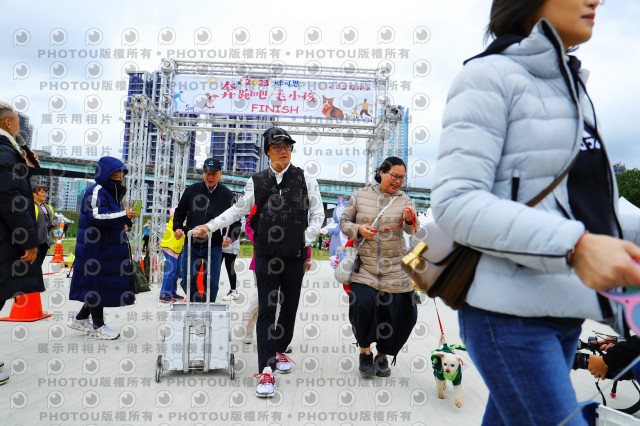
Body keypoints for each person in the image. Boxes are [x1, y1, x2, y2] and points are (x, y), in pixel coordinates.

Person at [430, 1, 640, 423]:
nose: (597, 0)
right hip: (509, 317)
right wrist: (575, 246)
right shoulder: (488, 77)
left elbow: (586, 204)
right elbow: (456, 201)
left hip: (564, 312)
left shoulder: (573, 88)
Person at [193, 127, 324, 398]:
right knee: (267, 309)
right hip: (266, 255)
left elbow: (317, 214)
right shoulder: (256, 181)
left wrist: (305, 238)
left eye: (287, 146)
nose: (284, 150)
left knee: (289, 309)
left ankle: (280, 350)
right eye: (277, 146)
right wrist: (209, 225)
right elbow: (238, 210)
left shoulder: (306, 179)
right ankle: (266, 369)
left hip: (295, 256)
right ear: (267, 151)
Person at [340, 156, 419, 378]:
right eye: (394, 176)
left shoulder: (406, 200)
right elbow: (344, 223)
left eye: (402, 178)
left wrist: (410, 219)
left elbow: (412, 230)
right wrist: (358, 230)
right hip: (365, 267)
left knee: (400, 314)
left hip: (395, 269)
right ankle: (365, 353)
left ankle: (382, 355)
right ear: (382, 172)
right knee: (362, 307)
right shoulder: (360, 195)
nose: (398, 181)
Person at [68, 156, 137, 340]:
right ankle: (98, 326)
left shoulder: (112, 192)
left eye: (121, 172)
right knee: (96, 286)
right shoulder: (96, 190)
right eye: (115, 172)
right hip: (94, 248)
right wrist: (124, 214)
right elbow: (97, 217)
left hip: (104, 249)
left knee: (97, 285)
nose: (119, 175)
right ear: (105, 173)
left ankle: (80, 319)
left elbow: (111, 216)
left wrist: (125, 220)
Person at [0, 101, 43, 385]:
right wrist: (28, 240)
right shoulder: (4, 151)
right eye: (16, 122)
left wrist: (25, 165)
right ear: (7, 123)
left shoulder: (10, 153)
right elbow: (11, 199)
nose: (19, 127)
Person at [173, 158, 240, 303]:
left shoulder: (228, 195)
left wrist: (231, 236)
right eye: (207, 173)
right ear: (202, 173)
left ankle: (208, 308)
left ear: (220, 173)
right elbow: (179, 213)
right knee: (187, 280)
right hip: (191, 244)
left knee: (212, 282)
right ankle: (197, 304)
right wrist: (177, 228)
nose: (210, 177)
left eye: (214, 173)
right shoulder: (191, 190)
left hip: (213, 246)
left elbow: (236, 220)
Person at [159, 206, 185, 303]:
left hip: (177, 248)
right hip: (170, 245)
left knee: (176, 270)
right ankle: (164, 294)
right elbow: (173, 210)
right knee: (171, 270)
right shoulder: (177, 215)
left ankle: (172, 292)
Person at [221, 195, 242, 301]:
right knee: (215, 268)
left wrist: (230, 239)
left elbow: (237, 227)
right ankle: (209, 288)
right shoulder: (221, 211)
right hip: (219, 245)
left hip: (231, 246)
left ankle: (233, 290)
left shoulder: (236, 213)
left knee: (230, 268)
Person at [32, 185, 55, 267]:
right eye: (42, 192)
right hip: (35, 240)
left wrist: (54, 223)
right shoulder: (31, 206)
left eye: (45, 193)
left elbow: (54, 219)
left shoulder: (48, 207)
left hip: (46, 240)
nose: (44, 195)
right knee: (33, 264)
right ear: (34, 194)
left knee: (39, 263)